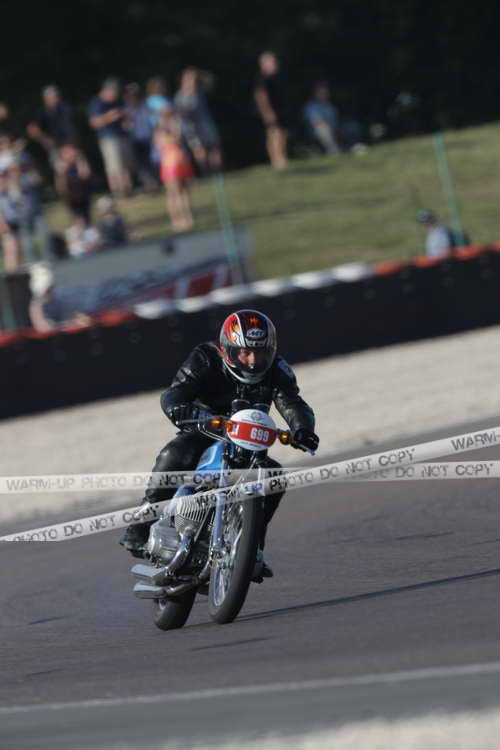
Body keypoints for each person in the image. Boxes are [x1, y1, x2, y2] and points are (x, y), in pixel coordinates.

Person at [120, 309, 319, 578]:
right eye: (245, 353)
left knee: (275, 478)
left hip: (249, 441)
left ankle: (252, 548)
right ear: (228, 349)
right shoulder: (205, 357)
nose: (252, 361)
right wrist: (181, 409)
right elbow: (175, 393)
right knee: (175, 454)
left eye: (260, 353)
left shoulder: (278, 369)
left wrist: (303, 429)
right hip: (204, 430)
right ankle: (143, 522)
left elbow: (292, 402)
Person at [88, 78, 132, 197]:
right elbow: (94, 123)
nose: (115, 94)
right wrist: (108, 117)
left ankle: (127, 189)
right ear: (106, 90)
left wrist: (126, 120)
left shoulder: (118, 101)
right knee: (114, 166)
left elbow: (126, 116)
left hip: (122, 135)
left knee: (125, 165)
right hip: (108, 138)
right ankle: (117, 191)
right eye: (113, 91)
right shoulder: (97, 103)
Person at [174, 67, 222, 174]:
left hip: (206, 124)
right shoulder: (180, 96)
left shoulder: (199, 92)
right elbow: (180, 114)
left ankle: (218, 172)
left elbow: (211, 81)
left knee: (214, 148)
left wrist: (201, 74)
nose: (192, 80)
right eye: (189, 78)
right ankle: (206, 173)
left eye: (193, 78)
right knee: (200, 151)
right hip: (192, 128)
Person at [155, 112, 194, 231]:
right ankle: (177, 220)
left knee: (184, 191)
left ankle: (188, 217)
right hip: (170, 166)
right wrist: (175, 129)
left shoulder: (174, 129)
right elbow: (170, 142)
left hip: (181, 163)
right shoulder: (161, 132)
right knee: (174, 193)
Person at [254, 52, 291, 170]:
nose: (275, 64)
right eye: (271, 62)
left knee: (282, 133)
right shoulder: (262, 79)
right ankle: (277, 160)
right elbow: (261, 96)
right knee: (274, 134)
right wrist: (267, 112)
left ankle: (282, 157)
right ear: (263, 64)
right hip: (270, 112)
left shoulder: (277, 77)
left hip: (280, 110)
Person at [26, 85, 76, 168]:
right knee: (61, 169)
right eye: (51, 97)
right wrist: (44, 139)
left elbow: (70, 128)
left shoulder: (65, 108)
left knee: (81, 170)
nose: (55, 99)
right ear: (45, 99)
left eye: (55, 96)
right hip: (55, 147)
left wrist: (71, 145)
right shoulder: (42, 113)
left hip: (70, 144)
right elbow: (31, 129)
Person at [54, 143, 93, 223]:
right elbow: (61, 189)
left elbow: (85, 176)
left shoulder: (80, 163)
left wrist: (80, 162)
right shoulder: (62, 168)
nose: (71, 155)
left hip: (84, 197)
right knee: (77, 220)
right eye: (67, 153)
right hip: (71, 199)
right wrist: (61, 174)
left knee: (87, 218)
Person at [303, 82, 340, 155]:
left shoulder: (331, 106)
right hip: (317, 132)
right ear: (315, 94)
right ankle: (334, 151)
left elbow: (336, 121)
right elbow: (316, 121)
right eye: (321, 92)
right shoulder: (311, 106)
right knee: (323, 129)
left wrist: (336, 129)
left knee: (351, 126)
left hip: (334, 130)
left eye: (325, 93)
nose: (323, 94)